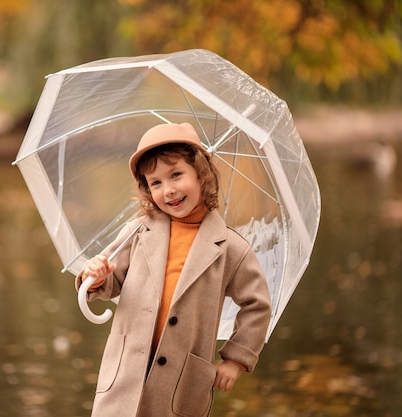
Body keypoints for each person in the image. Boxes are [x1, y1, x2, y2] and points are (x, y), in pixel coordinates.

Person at [76, 122, 272, 417]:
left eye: (176, 175)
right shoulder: (137, 232)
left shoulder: (231, 247)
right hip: (127, 371)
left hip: (183, 379)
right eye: (155, 183)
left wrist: (235, 359)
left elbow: (257, 304)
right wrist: (94, 276)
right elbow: (110, 279)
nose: (168, 190)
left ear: (201, 174)